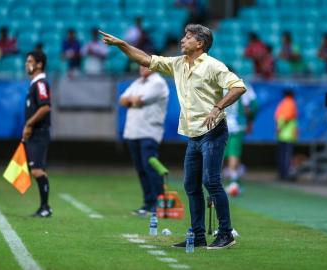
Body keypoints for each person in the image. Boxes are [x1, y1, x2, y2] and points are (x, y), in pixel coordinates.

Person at [100, 23, 246, 249]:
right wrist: (122, 45)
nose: (182, 40)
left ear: (200, 43)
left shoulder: (213, 66)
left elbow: (238, 87)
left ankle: (226, 233)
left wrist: (217, 108)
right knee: (191, 185)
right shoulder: (178, 63)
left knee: (211, 181)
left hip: (213, 132)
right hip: (194, 135)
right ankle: (198, 236)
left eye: (187, 37)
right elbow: (145, 60)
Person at [120, 65, 169, 216]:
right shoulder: (138, 82)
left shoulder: (158, 82)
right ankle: (148, 202)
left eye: (145, 65)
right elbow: (122, 100)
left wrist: (131, 100)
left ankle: (159, 203)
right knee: (141, 168)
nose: (141, 68)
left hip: (149, 131)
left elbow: (140, 100)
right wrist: (130, 100)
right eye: (140, 65)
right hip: (133, 131)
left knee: (150, 166)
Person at [23, 51, 52, 217]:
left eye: (30, 61)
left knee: (37, 170)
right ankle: (44, 206)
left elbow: (45, 107)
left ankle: (45, 207)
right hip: (36, 132)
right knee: (38, 169)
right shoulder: (34, 84)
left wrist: (29, 123)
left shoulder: (40, 84)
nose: (27, 64)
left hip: (39, 133)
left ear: (39, 64)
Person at [223, 83, 258, 195]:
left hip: (222, 124)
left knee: (225, 152)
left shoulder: (218, 85)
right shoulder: (243, 86)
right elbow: (253, 106)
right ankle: (234, 180)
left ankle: (227, 178)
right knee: (234, 153)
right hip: (237, 125)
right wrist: (250, 120)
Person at [274, 89, 298, 181]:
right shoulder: (290, 103)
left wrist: (278, 128)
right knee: (286, 155)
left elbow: (278, 117)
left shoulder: (282, 103)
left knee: (281, 154)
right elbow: (287, 117)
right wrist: (281, 127)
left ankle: (281, 173)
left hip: (281, 134)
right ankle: (285, 174)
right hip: (287, 134)